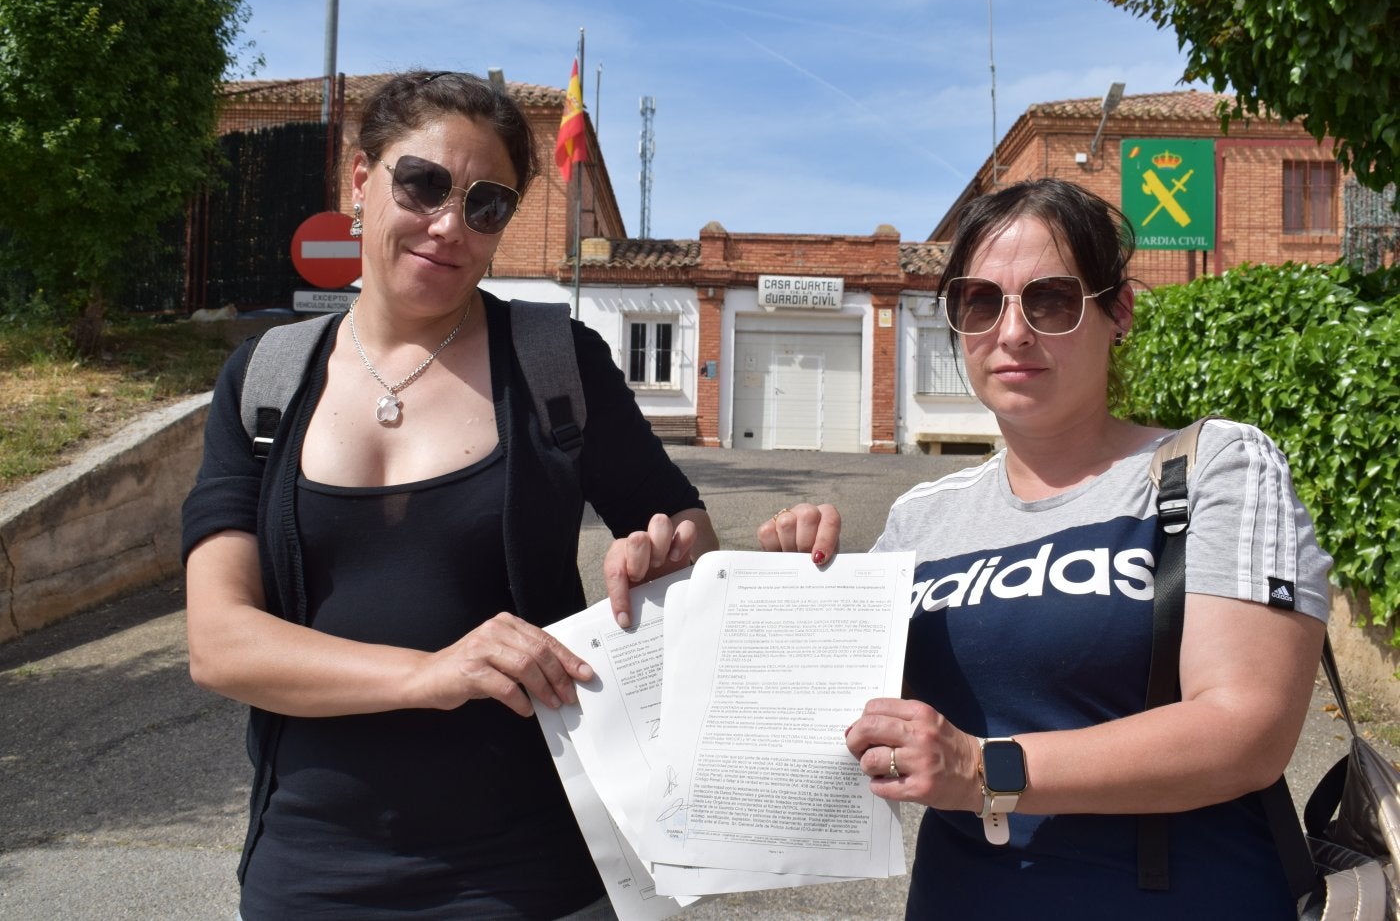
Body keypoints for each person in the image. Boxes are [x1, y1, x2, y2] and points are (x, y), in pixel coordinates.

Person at [182, 70, 717, 920]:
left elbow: (682, 523)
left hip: (539, 866)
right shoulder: (265, 382)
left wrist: (668, 557)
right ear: (360, 183)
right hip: (315, 868)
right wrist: (429, 673)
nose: (448, 225)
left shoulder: (558, 364)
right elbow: (219, 643)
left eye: (487, 205)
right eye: (423, 183)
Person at [760, 178, 1331, 918]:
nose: (1012, 331)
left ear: (1117, 311)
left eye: (1051, 299)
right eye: (980, 301)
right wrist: (760, 594)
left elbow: (1246, 728)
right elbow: (837, 721)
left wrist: (983, 766)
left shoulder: (1215, 465)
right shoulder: (920, 518)